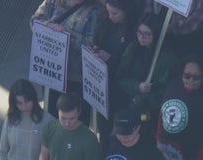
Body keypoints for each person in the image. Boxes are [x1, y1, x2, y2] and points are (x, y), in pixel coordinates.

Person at [31, 0, 107, 125]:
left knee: (76, 120)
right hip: (51, 70)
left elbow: (91, 44)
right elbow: (34, 21)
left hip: (77, 77)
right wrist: (47, 26)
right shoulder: (52, 2)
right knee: (53, 117)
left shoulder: (97, 10)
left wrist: (64, 35)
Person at [116, 13, 179, 134]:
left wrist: (145, 97)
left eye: (147, 34)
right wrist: (137, 86)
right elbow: (120, 77)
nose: (141, 37)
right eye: (139, 32)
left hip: (155, 114)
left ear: (156, 34)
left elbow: (167, 89)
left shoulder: (167, 58)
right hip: (130, 106)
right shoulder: (132, 49)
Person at [93, 0, 139, 157]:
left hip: (120, 90)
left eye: (115, 13)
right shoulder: (104, 21)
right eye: (109, 12)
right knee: (103, 130)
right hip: (102, 84)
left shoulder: (134, 31)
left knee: (117, 132)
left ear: (126, 11)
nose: (110, 16)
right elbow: (96, 39)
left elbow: (131, 64)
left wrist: (111, 59)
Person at [157, 56, 203, 160]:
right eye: (187, 75)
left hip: (192, 152)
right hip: (167, 147)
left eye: (196, 77)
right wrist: (159, 138)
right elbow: (163, 112)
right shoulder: (173, 85)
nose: (191, 80)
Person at [0, 79, 54, 160]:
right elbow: (3, 151)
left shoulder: (47, 120)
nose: (24, 106)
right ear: (14, 103)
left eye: (27, 101)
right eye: (19, 103)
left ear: (34, 98)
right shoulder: (10, 119)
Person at [39, 93, 101, 160]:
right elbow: (43, 155)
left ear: (79, 112)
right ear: (58, 112)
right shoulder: (50, 128)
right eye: (63, 118)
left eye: (71, 118)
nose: (67, 123)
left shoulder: (89, 138)